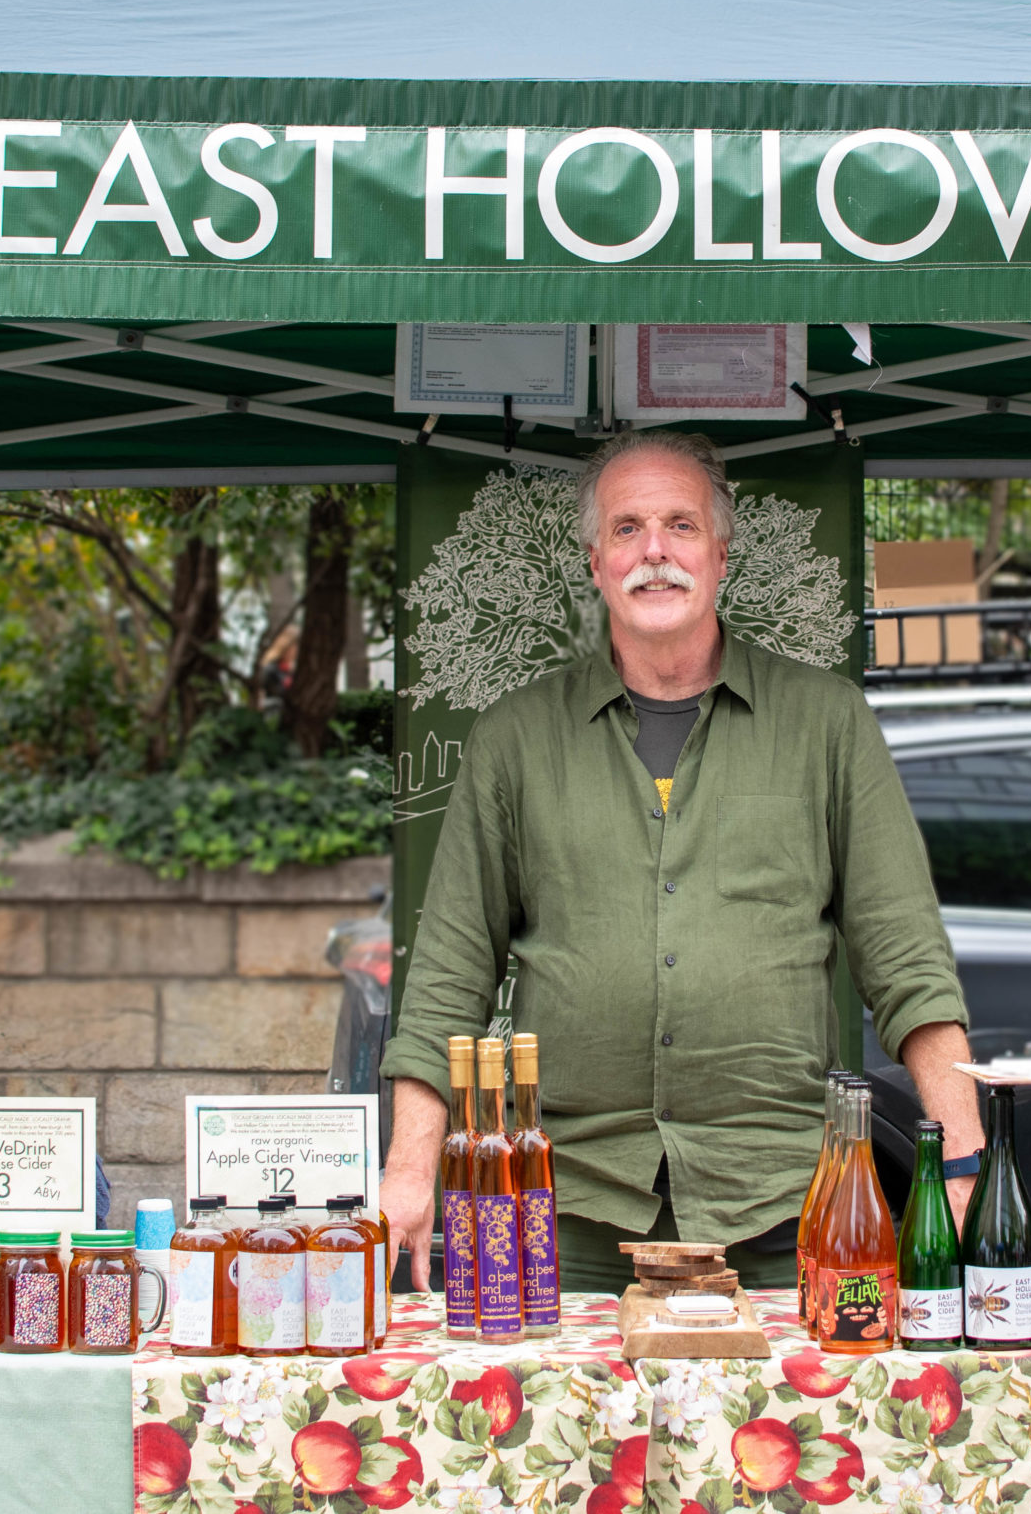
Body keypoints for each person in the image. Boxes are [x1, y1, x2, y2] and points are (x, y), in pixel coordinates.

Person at [378, 430, 982, 1294]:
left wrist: (963, 1162)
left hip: (785, 1203)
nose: (653, 551)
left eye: (679, 525)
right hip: (571, 1210)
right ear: (595, 562)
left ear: (721, 555)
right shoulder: (515, 737)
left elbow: (908, 962)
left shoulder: (827, 724)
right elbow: (448, 974)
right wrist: (409, 1172)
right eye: (626, 528)